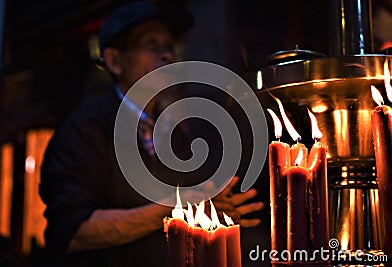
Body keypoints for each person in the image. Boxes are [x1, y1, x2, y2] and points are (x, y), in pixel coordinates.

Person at [39, 1, 263, 266]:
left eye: (170, 47)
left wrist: (214, 212)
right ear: (114, 61)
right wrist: (176, 207)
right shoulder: (83, 131)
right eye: (152, 45)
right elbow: (72, 232)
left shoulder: (172, 132)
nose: (168, 56)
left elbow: (197, 204)